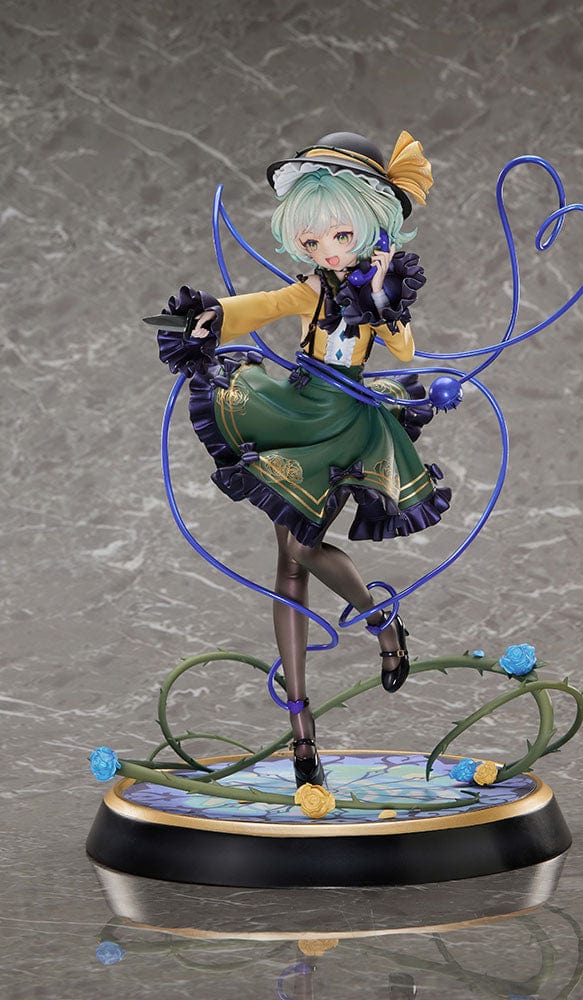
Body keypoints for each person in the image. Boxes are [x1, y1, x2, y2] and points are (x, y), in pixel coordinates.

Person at [156, 131, 451, 788]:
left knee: (301, 549)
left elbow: (404, 351)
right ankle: (301, 729)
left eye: (341, 235)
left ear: (371, 225)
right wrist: (209, 319)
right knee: (288, 566)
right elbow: (260, 307)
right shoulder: (311, 289)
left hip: (346, 424)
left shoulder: (376, 288)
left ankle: (378, 620)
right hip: (296, 412)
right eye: (313, 240)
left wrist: (381, 296)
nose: (328, 250)